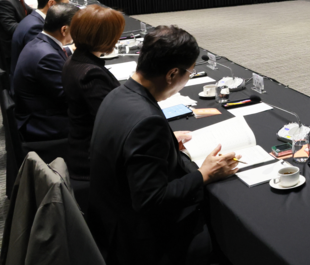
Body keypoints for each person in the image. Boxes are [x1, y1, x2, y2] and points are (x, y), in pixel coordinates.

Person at [88, 26, 239, 265]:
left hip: (107, 221)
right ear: (172, 74)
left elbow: (125, 148)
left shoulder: (117, 94)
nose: (188, 78)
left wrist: (165, 143)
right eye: (190, 72)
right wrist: (204, 174)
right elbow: (151, 200)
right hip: (140, 241)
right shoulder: (147, 122)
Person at [63, 5, 125, 181]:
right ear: (105, 37)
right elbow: (112, 125)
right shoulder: (91, 74)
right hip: (92, 159)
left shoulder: (74, 61)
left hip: (79, 145)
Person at [13, 3, 78, 142]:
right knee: (98, 121)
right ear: (64, 29)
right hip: (43, 123)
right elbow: (68, 98)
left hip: (38, 110)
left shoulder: (40, 41)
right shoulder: (47, 57)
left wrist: (71, 49)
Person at [11, 0, 69, 79]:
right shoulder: (36, 27)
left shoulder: (34, 18)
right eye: (66, 4)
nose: (68, 8)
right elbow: (44, 55)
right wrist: (70, 49)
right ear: (51, 4)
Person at [0, 0, 39, 70]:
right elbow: (12, 28)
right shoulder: (4, 0)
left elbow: (29, 11)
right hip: (11, 49)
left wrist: (45, 15)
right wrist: (38, 29)